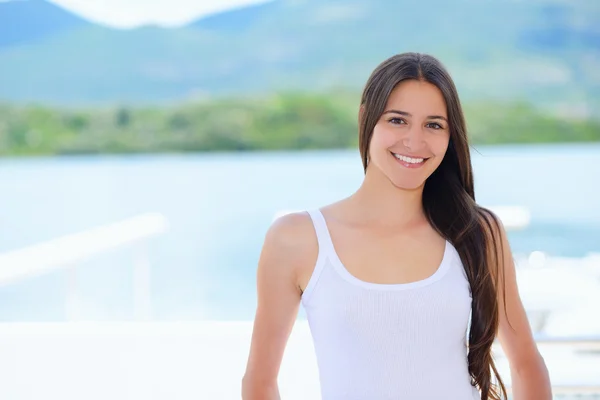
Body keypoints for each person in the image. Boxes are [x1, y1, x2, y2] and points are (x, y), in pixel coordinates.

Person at [241, 52, 552, 400]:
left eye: (433, 125)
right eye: (397, 120)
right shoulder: (298, 238)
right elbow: (260, 382)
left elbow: (525, 364)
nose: (414, 142)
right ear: (365, 119)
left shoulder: (477, 232)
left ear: (450, 137)